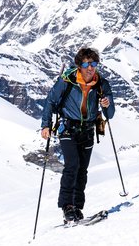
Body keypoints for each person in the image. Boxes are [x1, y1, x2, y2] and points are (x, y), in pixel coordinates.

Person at [40, 47, 115, 223]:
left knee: (82, 170)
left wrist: (106, 103)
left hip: (88, 130)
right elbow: (50, 101)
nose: (91, 68)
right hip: (68, 129)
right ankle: (67, 207)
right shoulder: (67, 80)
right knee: (72, 166)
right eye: (87, 64)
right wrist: (45, 125)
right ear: (79, 65)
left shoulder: (101, 83)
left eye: (94, 63)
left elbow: (109, 114)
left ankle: (77, 208)